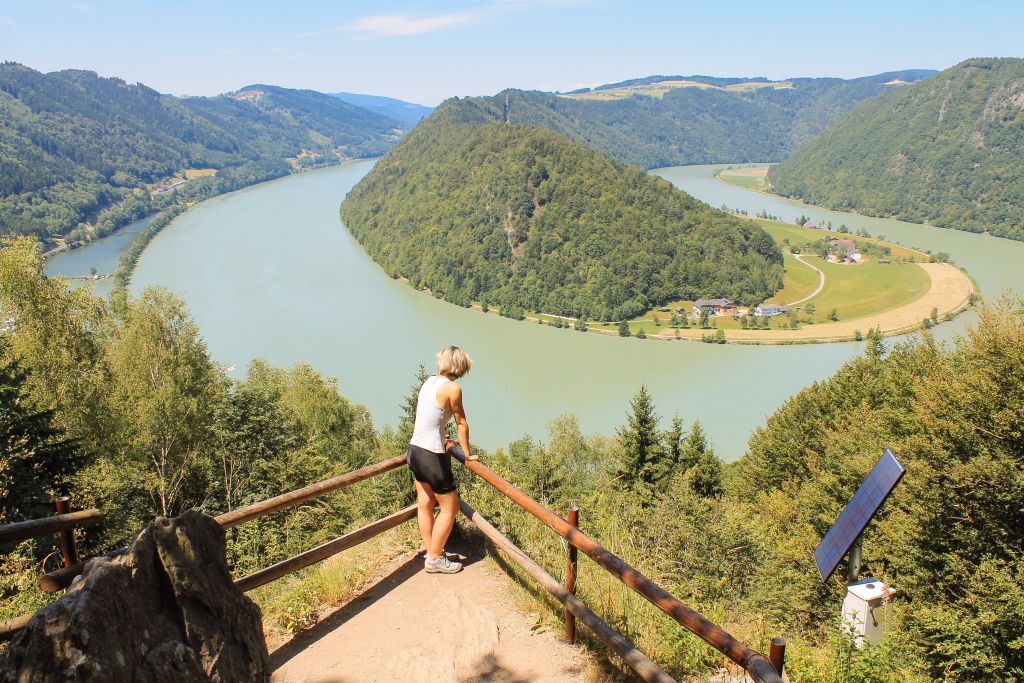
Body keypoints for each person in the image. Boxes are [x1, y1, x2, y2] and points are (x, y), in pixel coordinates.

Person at [408, 346, 477, 573]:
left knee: (425, 503)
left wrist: (440, 435)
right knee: (451, 507)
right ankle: (435, 560)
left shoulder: (429, 382)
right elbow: (461, 422)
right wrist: (466, 454)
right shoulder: (453, 388)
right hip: (431, 455)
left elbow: (427, 415)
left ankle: (432, 551)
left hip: (415, 450)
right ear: (460, 367)